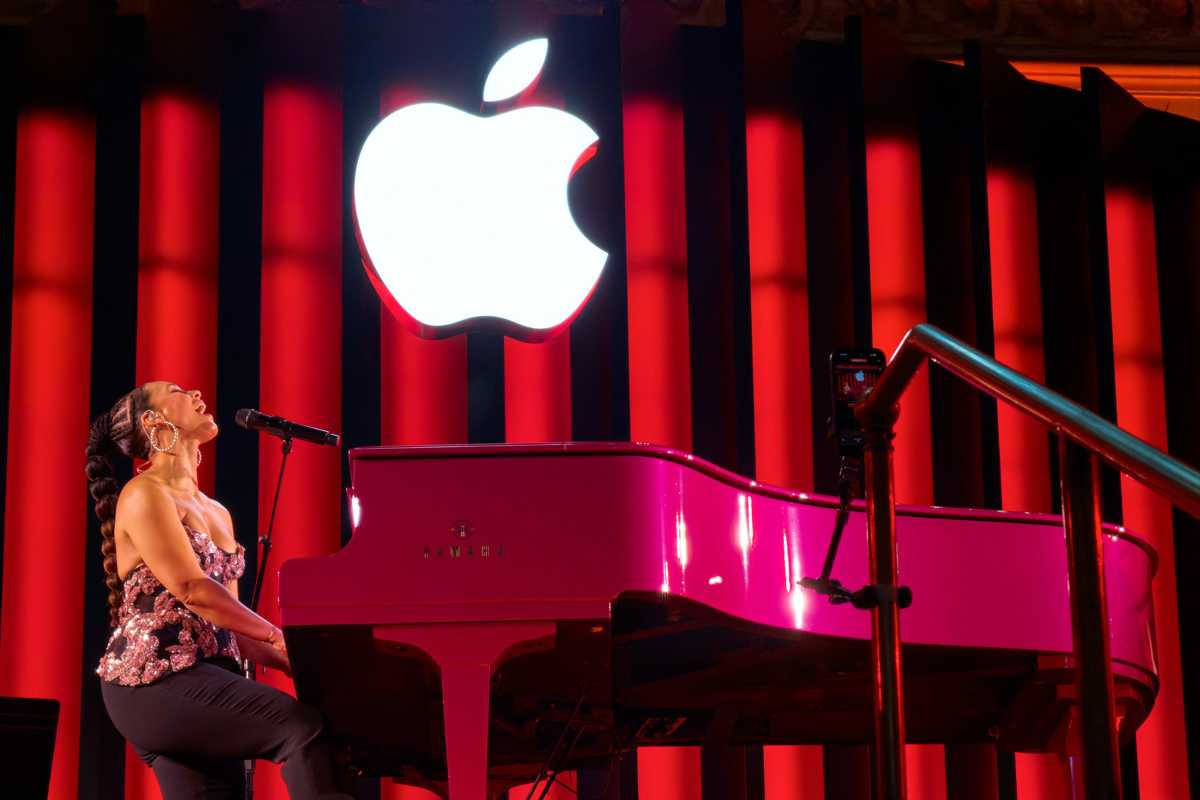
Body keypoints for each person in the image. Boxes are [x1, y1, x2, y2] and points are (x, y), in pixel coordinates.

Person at [86, 381, 351, 799]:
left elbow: (233, 628)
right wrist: (277, 636)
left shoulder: (218, 513)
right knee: (302, 728)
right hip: (152, 682)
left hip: (203, 677)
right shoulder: (144, 494)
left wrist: (301, 665)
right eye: (175, 390)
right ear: (155, 422)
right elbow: (193, 589)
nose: (193, 391)